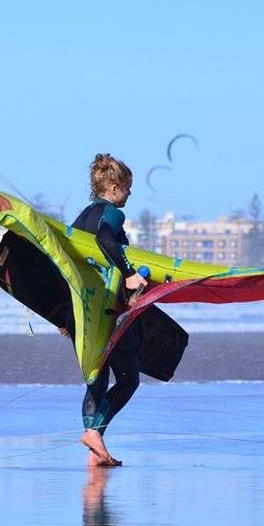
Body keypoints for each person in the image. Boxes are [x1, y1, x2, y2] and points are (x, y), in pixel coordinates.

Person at [61, 153, 148, 468]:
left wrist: (62, 315)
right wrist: (128, 273)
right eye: (126, 188)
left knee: (96, 380)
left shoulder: (80, 218)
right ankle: (95, 434)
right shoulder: (111, 214)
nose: (129, 194)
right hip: (103, 312)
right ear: (112, 188)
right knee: (128, 379)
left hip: (77, 310)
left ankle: (93, 448)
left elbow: (65, 264)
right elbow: (105, 240)